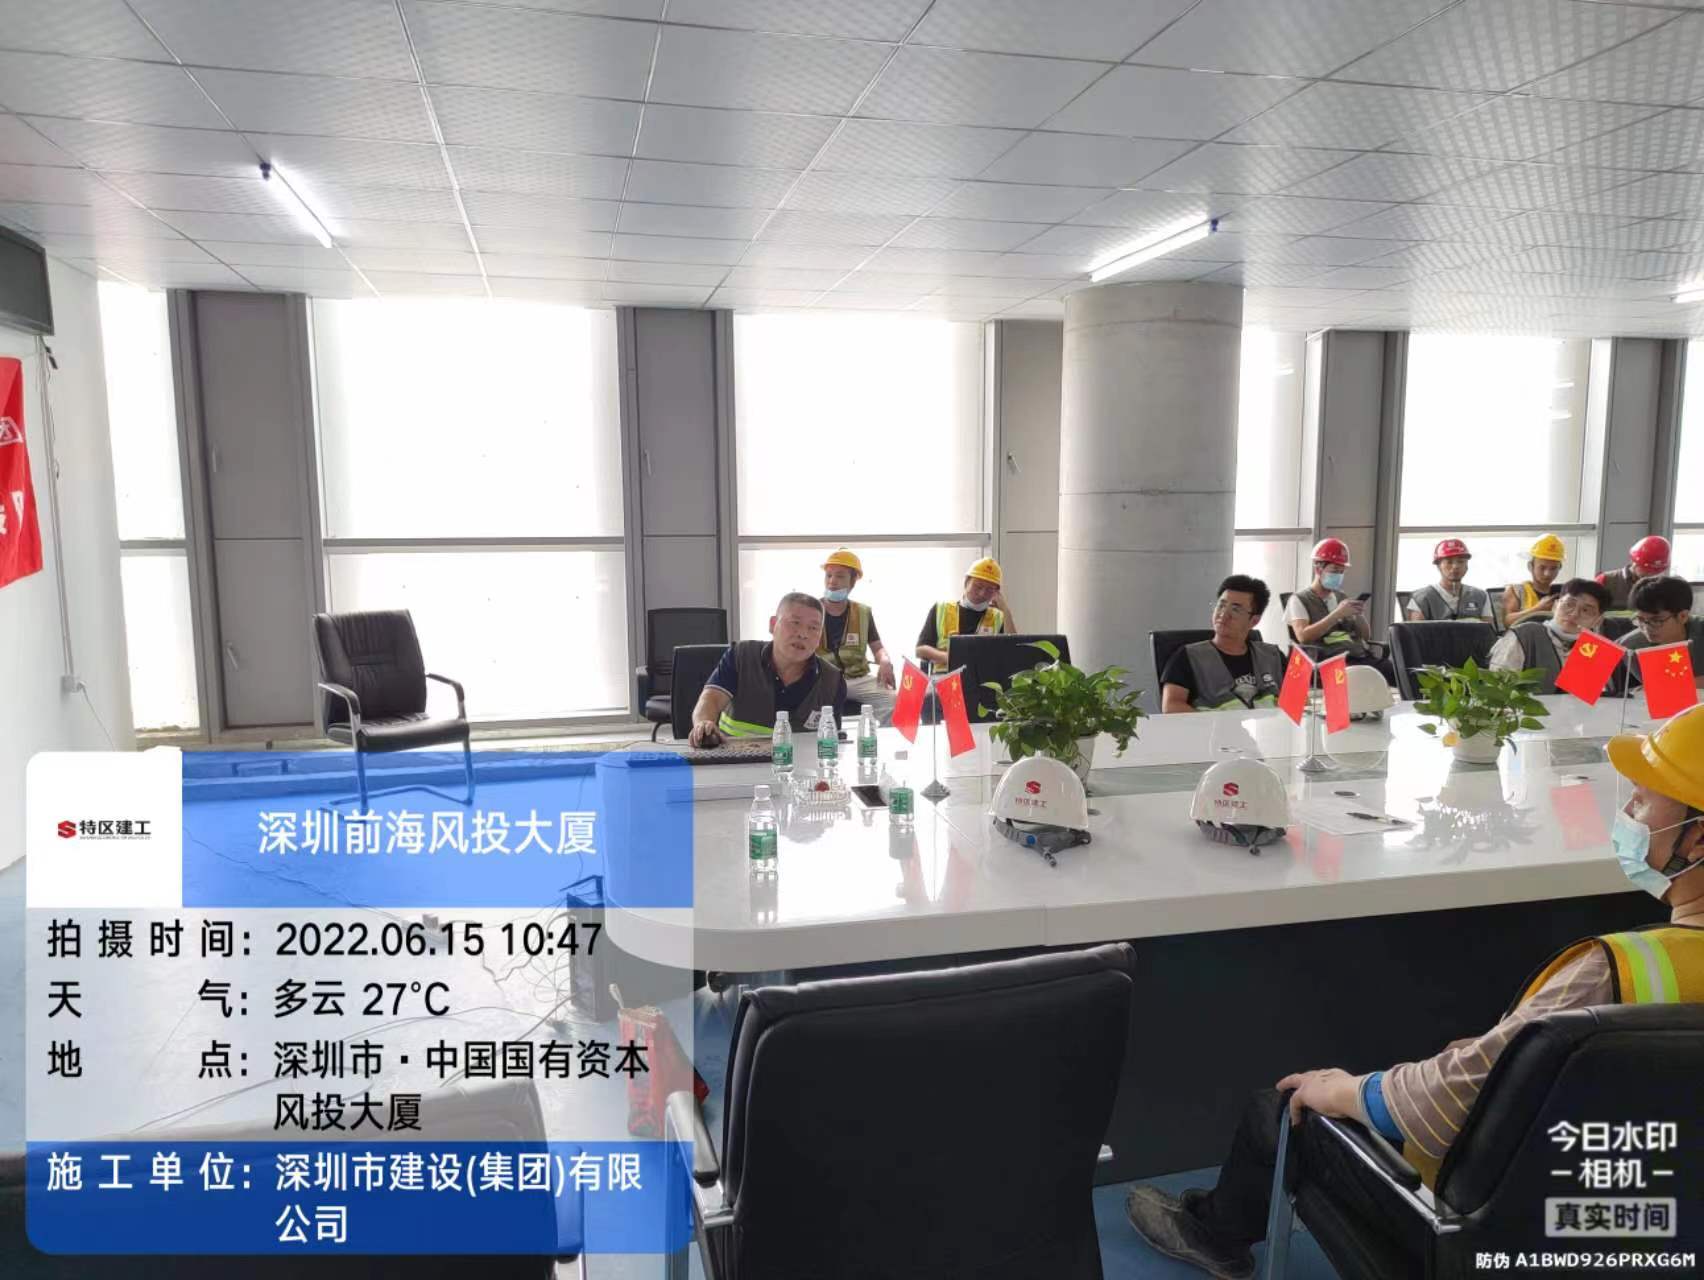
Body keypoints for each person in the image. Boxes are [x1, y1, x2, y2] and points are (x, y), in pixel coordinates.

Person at [1125, 703, 1704, 1279]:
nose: (1628, 813)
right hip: (1656, 1224)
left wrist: (1347, 1091)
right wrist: (1504, 1055)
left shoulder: (1610, 971)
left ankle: (1212, 1234)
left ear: (1697, 838)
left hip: (1495, 1229)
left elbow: (1441, 1102)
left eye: (1643, 800)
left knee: (1282, 1108)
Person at [687, 592, 847, 746]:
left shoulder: (833, 681)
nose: (803, 634)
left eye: (813, 628)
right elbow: (711, 699)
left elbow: (832, 742)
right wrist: (704, 723)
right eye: (795, 623)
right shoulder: (741, 657)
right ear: (773, 625)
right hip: (734, 758)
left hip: (799, 763)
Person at [1161, 575, 1286, 713]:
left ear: (1254, 621)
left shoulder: (1273, 656)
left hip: (1270, 726)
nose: (1224, 614)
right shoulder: (1188, 657)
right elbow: (1171, 706)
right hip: (1212, 727)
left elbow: (1298, 701)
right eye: (1221, 605)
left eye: (1235, 609)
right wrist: (1212, 724)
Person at [1285, 538, 1394, 684]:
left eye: (1342, 572)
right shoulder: (1299, 599)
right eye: (1335, 571)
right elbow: (1303, 636)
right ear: (1318, 569)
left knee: (1394, 671)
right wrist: (1337, 614)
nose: (1338, 576)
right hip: (1330, 661)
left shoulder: (1341, 597)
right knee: (1362, 679)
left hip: (1358, 656)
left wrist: (1358, 614)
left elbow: (1366, 636)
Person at [1488, 577, 1610, 694]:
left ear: (1598, 621)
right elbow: (1496, 689)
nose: (1574, 614)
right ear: (1555, 606)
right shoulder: (1525, 636)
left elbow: (1579, 703)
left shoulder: (1595, 649)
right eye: (1569, 604)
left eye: (1586, 610)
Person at [817, 547, 897, 721]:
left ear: (853, 581)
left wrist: (885, 661)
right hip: (823, 678)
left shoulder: (862, 612)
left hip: (858, 679)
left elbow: (877, 647)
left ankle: (883, 736)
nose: (832, 581)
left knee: (892, 700)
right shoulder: (812, 609)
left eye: (840, 576)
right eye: (828, 575)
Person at [916, 557, 1016, 670]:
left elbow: (1013, 650)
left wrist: (1005, 610)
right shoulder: (941, 609)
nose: (982, 593)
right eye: (978, 586)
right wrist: (950, 658)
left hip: (984, 679)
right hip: (945, 678)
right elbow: (920, 650)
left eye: (989, 590)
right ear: (966, 582)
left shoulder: (998, 617)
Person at [1625, 575, 1704, 691]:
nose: (1647, 628)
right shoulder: (1631, 647)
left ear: (1683, 616)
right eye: (1640, 619)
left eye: (1656, 620)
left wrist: (1664, 686)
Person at [1405, 538, 1493, 623]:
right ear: (1438, 566)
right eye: (1449, 562)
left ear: (1466, 566)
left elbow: (1488, 630)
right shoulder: (1420, 598)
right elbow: (1416, 631)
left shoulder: (1481, 596)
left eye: (1461, 561)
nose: (1455, 566)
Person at [1501, 533, 1566, 627]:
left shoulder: (1565, 593)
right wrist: (1538, 609)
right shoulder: (1517, 591)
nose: (1547, 573)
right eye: (1542, 568)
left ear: (1559, 568)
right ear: (1530, 566)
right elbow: (1508, 622)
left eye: (1553, 568)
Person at [1598, 535, 1671, 612]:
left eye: (1657, 572)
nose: (1651, 575)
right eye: (1647, 570)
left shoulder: (1666, 588)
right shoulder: (1606, 581)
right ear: (1634, 562)